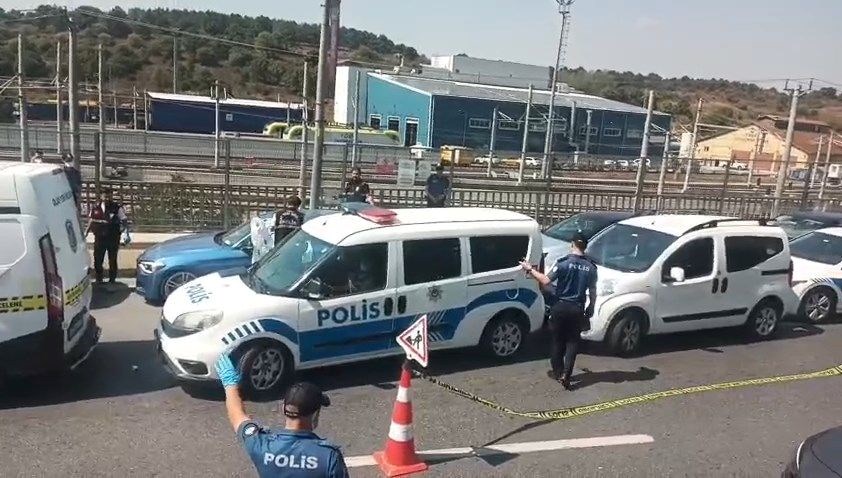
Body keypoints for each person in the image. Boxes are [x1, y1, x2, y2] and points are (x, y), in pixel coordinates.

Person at [215, 354, 350, 478]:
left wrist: (230, 384)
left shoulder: (261, 445)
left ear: (283, 408)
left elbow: (237, 415)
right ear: (315, 414)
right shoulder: (329, 456)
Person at [520, 233, 597, 390]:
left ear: (572, 244)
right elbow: (593, 290)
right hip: (577, 308)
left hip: (560, 307)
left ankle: (558, 371)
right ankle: (566, 375)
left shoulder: (563, 263)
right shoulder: (591, 268)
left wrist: (530, 269)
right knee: (573, 342)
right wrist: (591, 306)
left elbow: (546, 280)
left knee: (557, 340)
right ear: (585, 247)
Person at [86, 188, 128, 287]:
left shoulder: (116, 207)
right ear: (101, 196)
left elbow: (124, 219)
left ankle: (112, 280)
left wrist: (124, 231)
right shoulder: (96, 207)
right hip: (100, 238)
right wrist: (86, 232)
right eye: (105, 195)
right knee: (98, 259)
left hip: (113, 238)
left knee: (112, 259)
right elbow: (91, 220)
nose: (107, 197)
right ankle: (99, 279)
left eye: (109, 195)